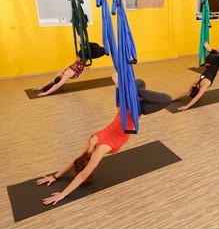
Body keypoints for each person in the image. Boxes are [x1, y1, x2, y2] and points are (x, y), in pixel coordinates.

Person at [36, 73, 172, 205]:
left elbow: (83, 175)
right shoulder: (91, 140)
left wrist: (63, 194)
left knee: (167, 99)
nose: (92, 168)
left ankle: (126, 90)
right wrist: (54, 176)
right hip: (121, 106)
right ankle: (124, 90)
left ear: (88, 163)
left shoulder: (99, 150)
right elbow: (74, 160)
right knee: (141, 83)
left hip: (134, 110)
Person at [172, 41, 219, 111]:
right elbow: (184, 92)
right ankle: (211, 50)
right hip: (208, 60)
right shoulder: (194, 84)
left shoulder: (204, 85)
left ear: (198, 91)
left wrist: (187, 106)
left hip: (214, 61)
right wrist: (172, 99)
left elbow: (197, 97)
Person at [32, 40, 107, 97]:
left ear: (61, 79)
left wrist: (45, 93)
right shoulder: (62, 72)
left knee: (105, 51)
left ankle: (82, 42)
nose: (65, 82)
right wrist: (40, 87)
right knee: (97, 46)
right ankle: (82, 42)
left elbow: (56, 85)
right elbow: (52, 81)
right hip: (81, 55)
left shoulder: (66, 75)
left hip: (84, 56)